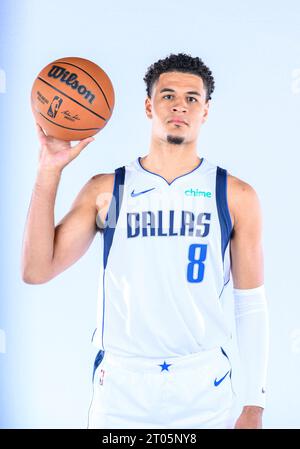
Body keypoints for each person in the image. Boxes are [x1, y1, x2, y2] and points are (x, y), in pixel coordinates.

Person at [21, 53, 269, 429]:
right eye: (168, 96)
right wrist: (48, 172)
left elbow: (249, 303)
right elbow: (37, 270)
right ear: (148, 106)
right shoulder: (110, 189)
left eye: (192, 98)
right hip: (122, 386)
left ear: (206, 111)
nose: (179, 106)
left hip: (202, 384)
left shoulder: (233, 194)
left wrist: (254, 403)